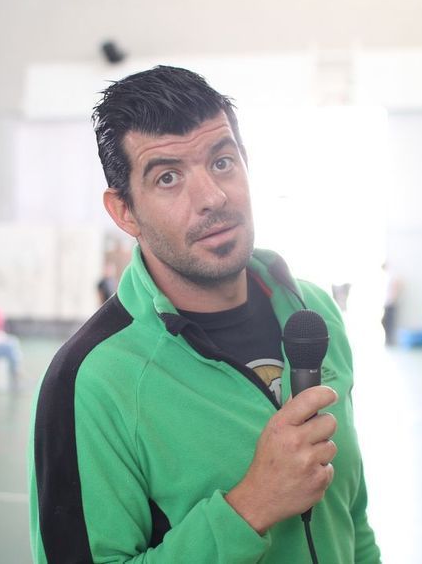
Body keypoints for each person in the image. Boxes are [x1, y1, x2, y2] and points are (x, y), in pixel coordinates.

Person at [28, 66, 380, 563]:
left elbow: (351, 517)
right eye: (168, 177)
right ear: (124, 212)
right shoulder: (92, 380)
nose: (212, 197)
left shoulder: (311, 314)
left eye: (222, 161)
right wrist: (251, 507)